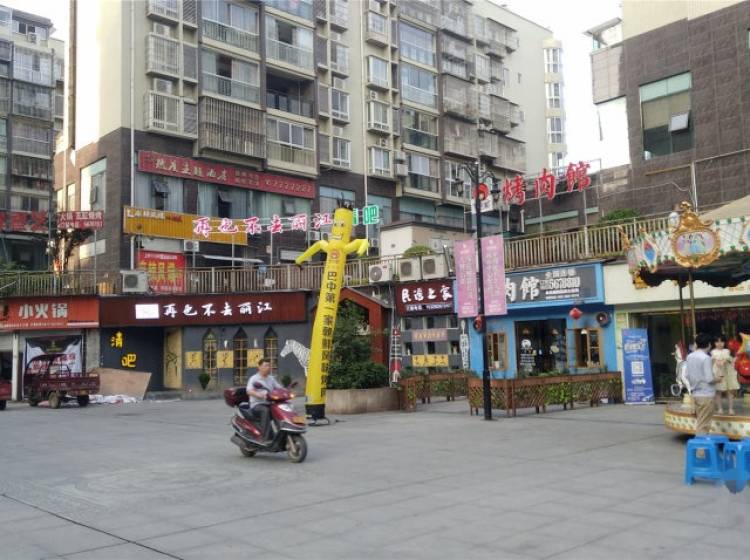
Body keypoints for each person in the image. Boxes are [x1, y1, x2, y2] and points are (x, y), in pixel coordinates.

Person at [685, 333, 720, 434]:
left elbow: (687, 374)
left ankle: (700, 441)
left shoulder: (690, 356)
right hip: (706, 394)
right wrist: (718, 379)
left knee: (701, 421)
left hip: (695, 394)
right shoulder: (706, 358)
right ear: (709, 344)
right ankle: (700, 443)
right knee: (704, 425)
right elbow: (709, 379)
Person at [246, 358, 282, 444]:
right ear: (259, 367)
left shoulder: (271, 378)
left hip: (269, 403)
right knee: (265, 410)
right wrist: (259, 395)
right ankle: (265, 438)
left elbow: (279, 388)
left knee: (279, 410)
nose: (268, 367)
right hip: (257, 404)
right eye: (266, 365)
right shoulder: (254, 379)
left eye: (269, 365)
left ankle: (282, 434)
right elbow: (249, 391)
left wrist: (286, 391)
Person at [713, 335, 739, 415]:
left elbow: (726, 359)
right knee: (718, 392)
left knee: (729, 392)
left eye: (722, 341)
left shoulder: (726, 351)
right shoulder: (713, 351)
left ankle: (731, 409)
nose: (719, 343)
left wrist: (722, 362)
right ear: (714, 343)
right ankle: (720, 408)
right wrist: (718, 362)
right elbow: (715, 360)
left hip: (727, 374)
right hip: (718, 373)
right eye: (717, 342)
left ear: (725, 342)